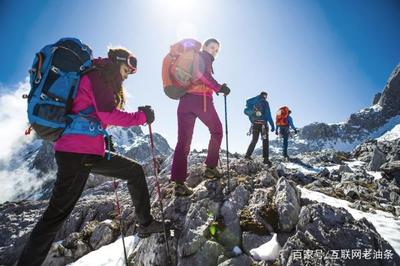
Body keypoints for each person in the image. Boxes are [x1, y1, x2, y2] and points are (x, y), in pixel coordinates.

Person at [17, 48, 165, 266]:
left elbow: (92, 115)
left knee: (134, 171)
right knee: (55, 217)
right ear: (118, 63)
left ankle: (145, 224)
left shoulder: (99, 75)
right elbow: (107, 113)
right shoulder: (98, 76)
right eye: (126, 70)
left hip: (87, 152)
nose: (127, 75)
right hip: (76, 154)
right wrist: (142, 117)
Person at [170, 38, 230, 197]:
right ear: (205, 47)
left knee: (183, 141)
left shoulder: (194, 57)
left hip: (184, 102)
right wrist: (219, 87)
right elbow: (200, 74)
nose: (214, 52)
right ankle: (210, 168)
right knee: (217, 131)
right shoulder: (203, 57)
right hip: (200, 101)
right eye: (212, 47)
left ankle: (179, 184)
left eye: (217, 50)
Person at [244, 91, 275, 166]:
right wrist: (272, 125)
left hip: (255, 124)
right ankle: (266, 159)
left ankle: (247, 155)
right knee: (265, 141)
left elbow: (247, 111)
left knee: (254, 140)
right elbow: (268, 114)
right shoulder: (265, 102)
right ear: (265, 96)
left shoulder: (254, 102)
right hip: (263, 125)